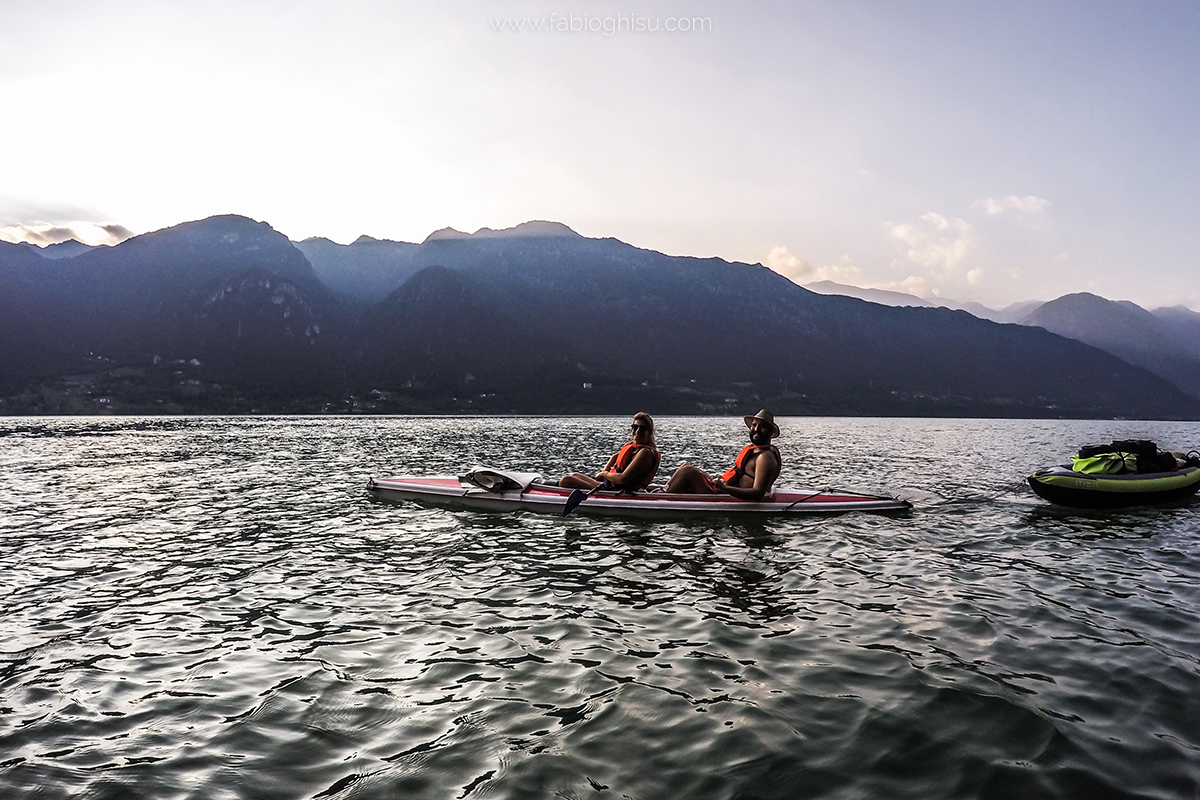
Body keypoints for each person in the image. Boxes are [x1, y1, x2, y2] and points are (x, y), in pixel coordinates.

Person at [665, 409, 781, 501]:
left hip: (728, 496)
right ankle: (662, 492)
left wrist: (725, 488)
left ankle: (661, 498)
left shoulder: (765, 458)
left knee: (688, 471)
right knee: (685, 466)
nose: (756, 429)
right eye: (754, 425)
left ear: (771, 432)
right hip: (725, 492)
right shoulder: (757, 451)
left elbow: (758, 493)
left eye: (762, 426)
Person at [559, 412, 661, 492]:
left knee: (566, 481)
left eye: (642, 429)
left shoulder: (646, 453)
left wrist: (604, 474)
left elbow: (622, 479)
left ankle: (597, 493)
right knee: (575, 475)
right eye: (634, 427)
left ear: (649, 433)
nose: (637, 431)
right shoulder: (634, 448)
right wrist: (602, 475)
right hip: (609, 485)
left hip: (618, 490)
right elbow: (614, 458)